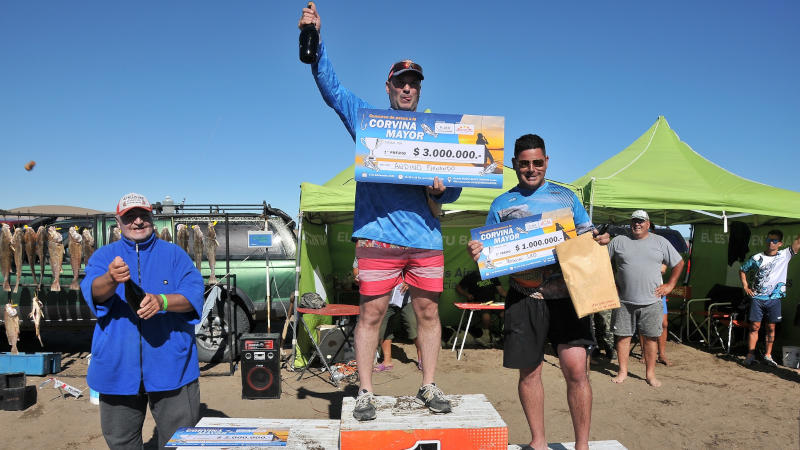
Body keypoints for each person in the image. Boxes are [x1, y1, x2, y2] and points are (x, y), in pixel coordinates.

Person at [298, 4, 462, 421]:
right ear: (388, 88)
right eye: (401, 83)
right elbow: (332, 89)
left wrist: (442, 189)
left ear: (419, 92)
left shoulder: (436, 135)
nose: (408, 89)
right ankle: (366, 391)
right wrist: (316, 43)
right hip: (376, 237)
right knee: (372, 312)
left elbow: (458, 185)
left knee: (427, 312)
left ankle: (427, 384)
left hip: (424, 238)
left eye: (414, 85)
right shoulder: (367, 121)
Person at [467, 134, 609, 450]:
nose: (531, 169)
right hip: (523, 296)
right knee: (529, 373)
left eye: (538, 163)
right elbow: (490, 250)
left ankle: (582, 446)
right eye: (524, 164)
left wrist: (599, 240)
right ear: (515, 164)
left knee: (576, 370)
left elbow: (586, 236)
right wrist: (478, 252)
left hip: (568, 296)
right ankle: (539, 443)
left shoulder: (567, 197)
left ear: (547, 162)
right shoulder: (501, 203)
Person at [80, 193, 205, 449]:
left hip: (172, 367)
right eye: (129, 217)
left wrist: (163, 302)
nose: (137, 221)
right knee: (121, 441)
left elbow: (193, 295)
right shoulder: (105, 256)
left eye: (143, 215)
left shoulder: (175, 255)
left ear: (152, 218)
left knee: (179, 442)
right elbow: (92, 291)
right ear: (118, 221)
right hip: (117, 369)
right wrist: (111, 279)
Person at [607, 210, 684, 387]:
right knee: (622, 336)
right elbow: (602, 262)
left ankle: (650, 374)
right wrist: (612, 282)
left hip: (652, 301)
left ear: (648, 224)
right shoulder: (619, 241)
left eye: (641, 221)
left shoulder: (660, 242)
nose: (637, 224)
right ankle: (622, 371)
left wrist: (670, 285)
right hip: (624, 301)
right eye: (634, 221)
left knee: (650, 338)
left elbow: (679, 263)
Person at [739, 229, 800, 367]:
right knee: (754, 327)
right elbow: (742, 270)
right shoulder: (757, 258)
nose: (770, 243)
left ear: (780, 243)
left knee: (771, 328)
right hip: (757, 298)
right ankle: (750, 355)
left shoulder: (785, 255)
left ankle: (768, 355)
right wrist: (746, 286)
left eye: (774, 241)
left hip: (774, 299)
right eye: (768, 240)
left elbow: (798, 242)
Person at [375, 280, 422, 372]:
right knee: (383, 328)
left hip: (406, 299)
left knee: (413, 325)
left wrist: (410, 281)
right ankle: (387, 362)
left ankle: (422, 360)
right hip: (385, 299)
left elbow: (416, 271)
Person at [455, 270, 507, 343]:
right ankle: (486, 336)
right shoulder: (471, 276)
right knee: (486, 316)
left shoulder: (492, 275)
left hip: (492, 303)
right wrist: (467, 295)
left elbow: (501, 291)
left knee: (507, 313)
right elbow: (458, 287)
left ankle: (504, 335)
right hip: (478, 303)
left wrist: (511, 298)